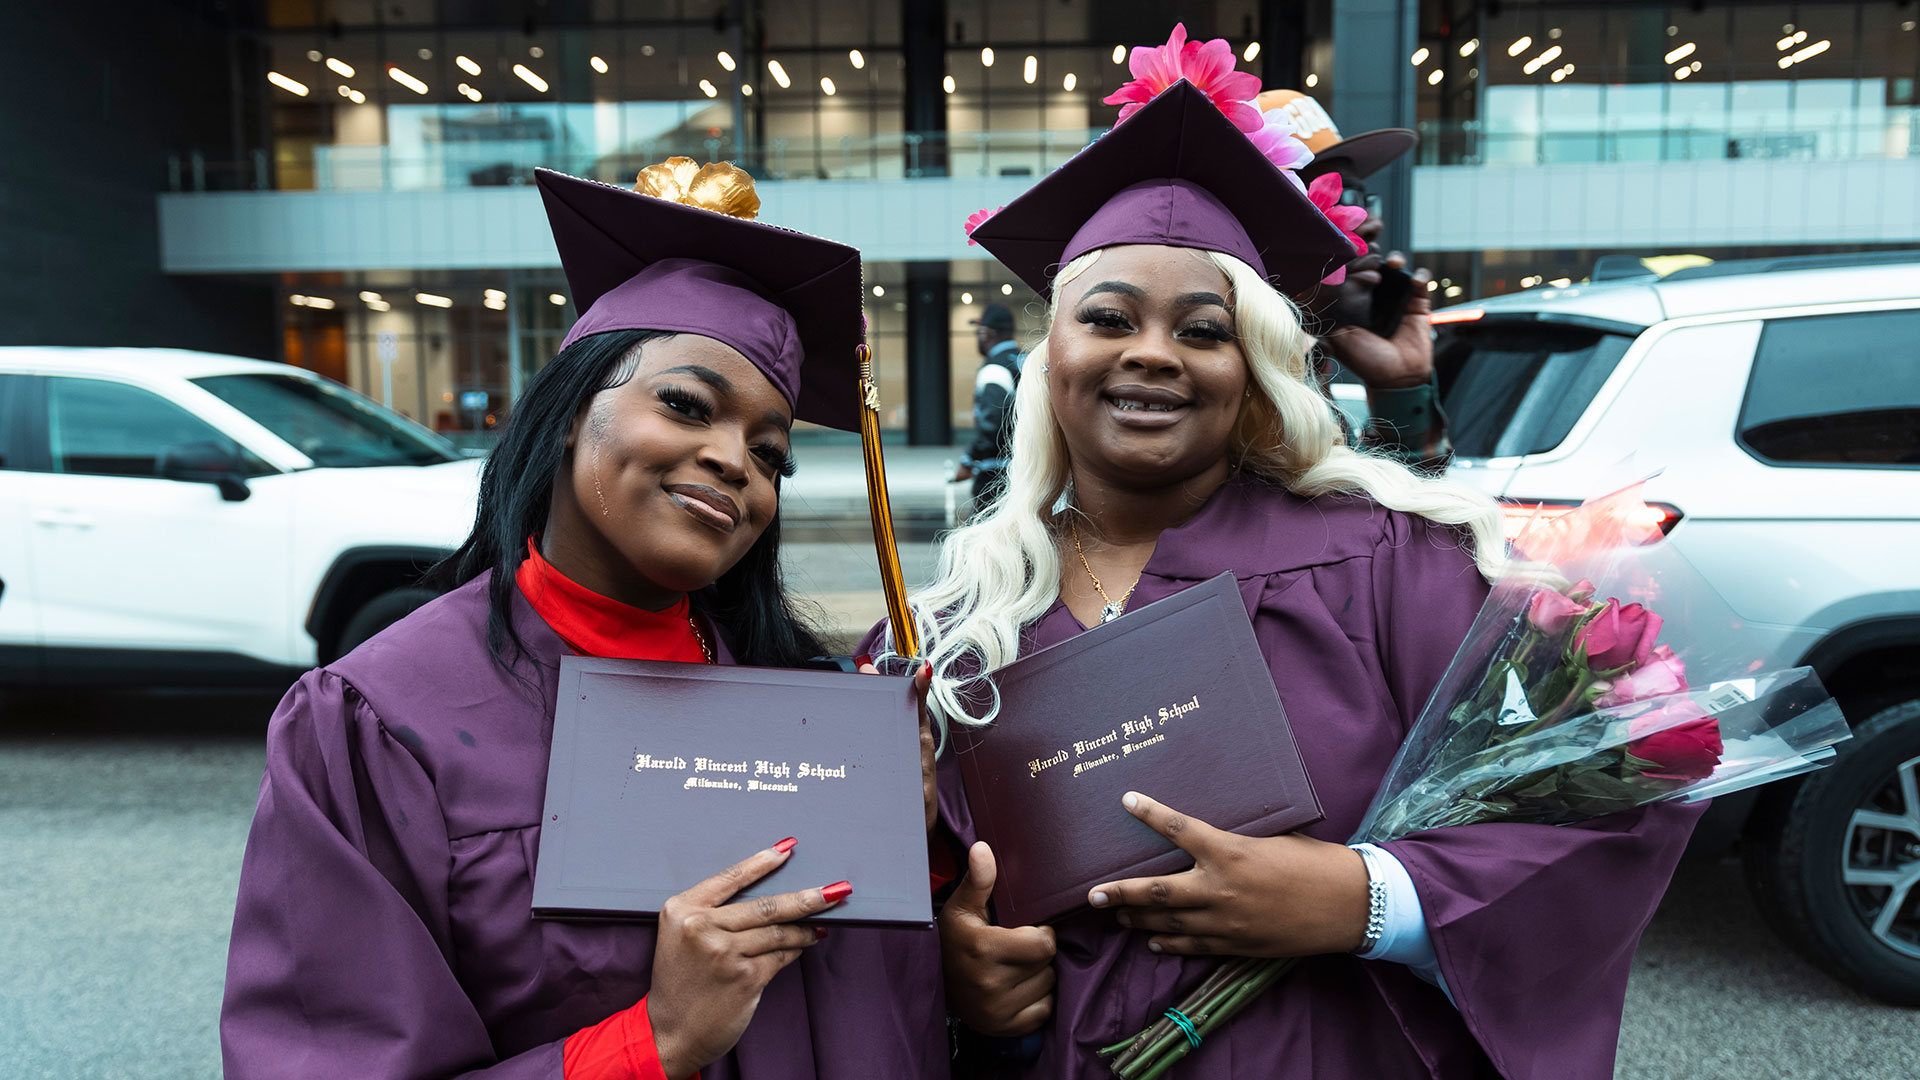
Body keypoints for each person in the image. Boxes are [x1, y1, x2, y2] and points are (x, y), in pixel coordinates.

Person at [869, 60, 1701, 1080]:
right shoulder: (966, 625)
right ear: (1054, 358)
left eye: (1204, 331)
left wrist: (1369, 899)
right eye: (1109, 318)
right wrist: (961, 970)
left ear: (1254, 369)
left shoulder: (1392, 562)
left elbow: (1609, 803)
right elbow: (875, 892)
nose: (1155, 354)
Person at [221, 160, 946, 1080]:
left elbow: (877, 1018)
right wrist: (654, 1044)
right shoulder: (379, 722)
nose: (733, 461)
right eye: (685, 405)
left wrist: (910, 853)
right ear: (569, 416)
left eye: (771, 454)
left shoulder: (807, 710)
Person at [1262, 88, 1453, 472]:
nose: (1372, 222)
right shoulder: (1226, 391)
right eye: (1339, 195)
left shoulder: (1311, 365)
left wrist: (1400, 388)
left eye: (1364, 199)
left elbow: (1396, 525)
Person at [957, 302, 1026, 513]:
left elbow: (991, 424)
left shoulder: (995, 368)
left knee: (985, 537)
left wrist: (968, 461)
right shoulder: (1027, 360)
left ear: (987, 333)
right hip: (1029, 467)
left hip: (996, 474)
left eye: (978, 332)